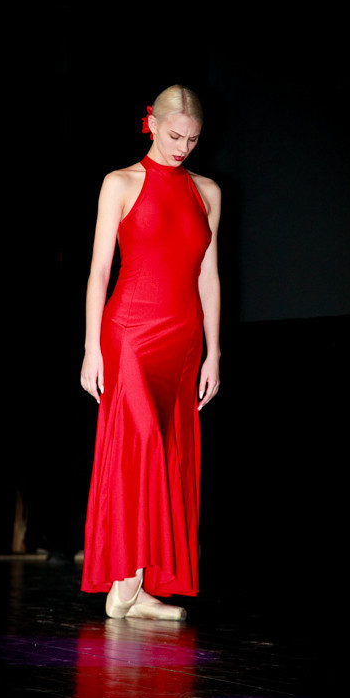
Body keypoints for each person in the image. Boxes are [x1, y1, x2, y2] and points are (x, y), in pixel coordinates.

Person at [80, 85, 221, 620]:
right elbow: (98, 272)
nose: (183, 147)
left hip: (183, 342)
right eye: (175, 135)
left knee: (169, 455)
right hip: (131, 335)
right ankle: (125, 575)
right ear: (152, 124)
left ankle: (139, 588)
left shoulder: (207, 191)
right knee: (138, 449)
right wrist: (91, 348)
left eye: (193, 139)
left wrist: (214, 352)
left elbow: (208, 276)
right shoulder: (120, 182)